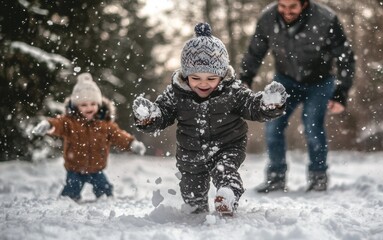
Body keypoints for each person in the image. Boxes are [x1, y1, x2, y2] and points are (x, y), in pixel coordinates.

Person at [132, 22, 288, 215]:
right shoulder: (176, 93)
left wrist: (268, 105)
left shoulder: (233, 91)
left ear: (222, 75)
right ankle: (195, 207)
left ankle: (227, 196)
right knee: (191, 189)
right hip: (191, 152)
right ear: (186, 74)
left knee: (226, 171)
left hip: (228, 145)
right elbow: (162, 114)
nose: (203, 84)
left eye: (211, 78)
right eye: (195, 78)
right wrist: (149, 117)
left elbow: (252, 106)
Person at [240, 0, 355, 192]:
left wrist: (341, 93)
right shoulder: (268, 18)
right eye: (282, 6)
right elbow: (255, 50)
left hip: (320, 81)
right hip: (285, 79)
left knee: (312, 126)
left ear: (304, 4)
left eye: (292, 6)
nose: (286, 11)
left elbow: (345, 56)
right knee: (273, 125)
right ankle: (276, 177)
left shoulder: (326, 19)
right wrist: (246, 77)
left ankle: (318, 176)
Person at [32, 73, 146, 201]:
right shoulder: (70, 122)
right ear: (76, 106)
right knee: (72, 190)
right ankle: (67, 201)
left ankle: (106, 200)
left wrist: (131, 143)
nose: (89, 107)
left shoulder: (105, 124)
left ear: (99, 104)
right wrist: (48, 125)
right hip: (74, 169)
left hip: (96, 169)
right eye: (84, 105)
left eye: (93, 103)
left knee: (105, 189)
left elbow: (119, 136)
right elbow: (58, 124)